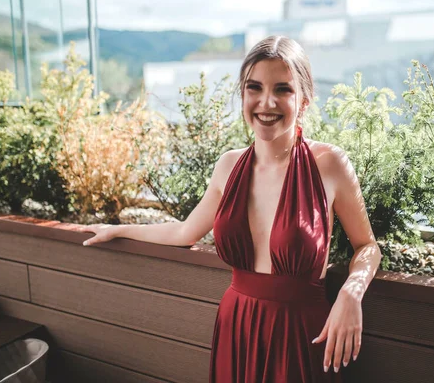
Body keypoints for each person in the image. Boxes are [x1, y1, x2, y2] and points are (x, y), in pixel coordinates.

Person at [80, 35, 382, 382]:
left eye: (282, 89)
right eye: (254, 88)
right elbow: (184, 232)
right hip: (236, 326)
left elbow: (367, 246)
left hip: (301, 332)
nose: (266, 102)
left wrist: (351, 291)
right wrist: (118, 229)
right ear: (243, 95)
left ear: (305, 99)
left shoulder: (328, 163)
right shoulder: (229, 166)